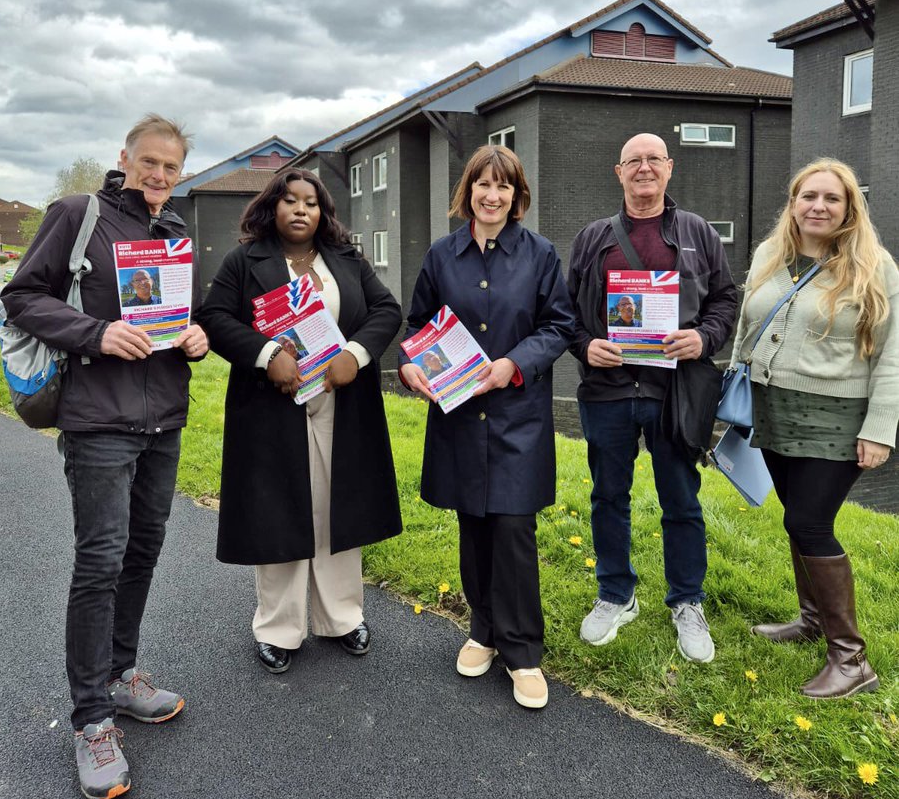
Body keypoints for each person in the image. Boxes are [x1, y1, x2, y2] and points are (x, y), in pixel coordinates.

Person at [1, 115, 208, 799]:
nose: (157, 176)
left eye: (170, 167)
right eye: (148, 162)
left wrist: (196, 335)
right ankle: (91, 719)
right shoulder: (78, 215)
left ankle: (122, 675)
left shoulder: (175, 234)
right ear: (125, 158)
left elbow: (177, 317)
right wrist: (94, 333)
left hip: (164, 419)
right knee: (101, 558)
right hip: (98, 420)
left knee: (144, 549)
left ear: (181, 173)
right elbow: (21, 296)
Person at [197, 169, 402, 676]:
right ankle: (278, 627)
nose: (300, 210)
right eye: (289, 200)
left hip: (342, 404)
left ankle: (341, 617)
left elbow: (386, 310)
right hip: (272, 408)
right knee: (280, 508)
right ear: (273, 206)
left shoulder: (347, 259)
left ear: (322, 212)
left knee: (338, 506)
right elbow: (215, 317)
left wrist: (354, 354)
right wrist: (267, 354)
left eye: (310, 202)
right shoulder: (245, 261)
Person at [400, 145, 574, 710]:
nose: (492, 195)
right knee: (473, 525)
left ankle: (523, 651)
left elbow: (559, 326)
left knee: (513, 531)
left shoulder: (541, 254)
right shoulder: (441, 254)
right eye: (482, 185)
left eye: (503, 186)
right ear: (468, 192)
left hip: (517, 416)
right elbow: (416, 324)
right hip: (458, 415)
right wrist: (407, 365)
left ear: (517, 195)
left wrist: (513, 365)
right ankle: (483, 630)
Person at [568, 133, 737, 662]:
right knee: (607, 497)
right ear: (618, 173)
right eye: (633, 161)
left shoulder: (698, 233)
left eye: (653, 159)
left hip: (675, 393)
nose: (644, 168)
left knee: (681, 502)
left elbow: (726, 300)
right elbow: (565, 311)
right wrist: (585, 344)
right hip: (609, 391)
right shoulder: (594, 237)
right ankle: (616, 593)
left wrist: (704, 338)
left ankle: (686, 601)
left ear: (670, 168)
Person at [732, 158, 898, 697]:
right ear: (794, 202)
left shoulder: (876, 267)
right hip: (771, 407)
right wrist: (735, 387)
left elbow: (893, 357)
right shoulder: (769, 254)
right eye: (809, 196)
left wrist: (880, 429)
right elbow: (746, 326)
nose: (818, 207)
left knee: (811, 523)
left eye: (832, 198)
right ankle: (813, 620)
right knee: (795, 520)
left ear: (850, 208)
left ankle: (851, 661)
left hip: (837, 417)